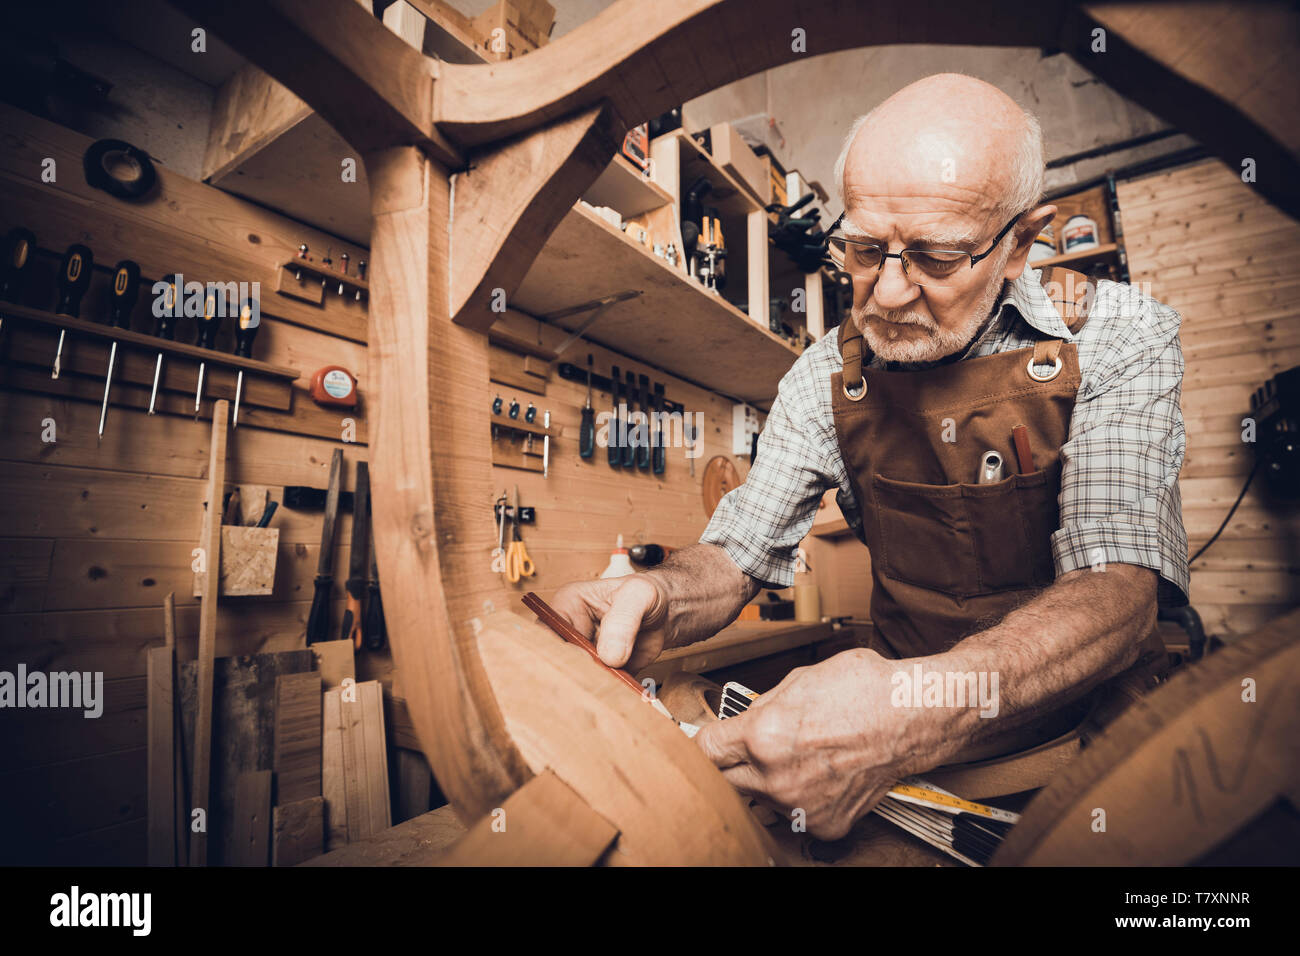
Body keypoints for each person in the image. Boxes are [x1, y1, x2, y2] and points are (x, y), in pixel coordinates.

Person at [551, 73, 1189, 840]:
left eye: (937, 258)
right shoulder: (823, 374)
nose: (886, 292)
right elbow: (738, 553)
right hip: (898, 776)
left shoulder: (1117, 337)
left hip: (1084, 754)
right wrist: (656, 597)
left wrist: (911, 710)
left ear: (1021, 241)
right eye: (861, 248)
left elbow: (1115, 591)